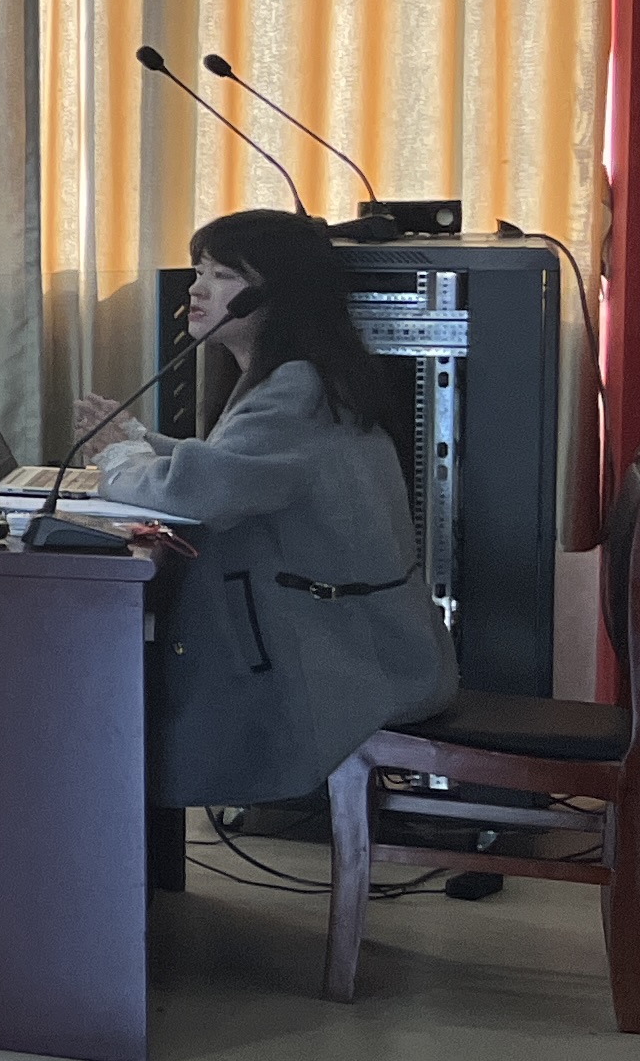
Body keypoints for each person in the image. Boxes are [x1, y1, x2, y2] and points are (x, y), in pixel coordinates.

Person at [74, 208, 459, 815]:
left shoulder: (294, 388)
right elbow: (233, 466)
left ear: (273, 297)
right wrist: (142, 443)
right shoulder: (301, 376)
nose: (197, 289)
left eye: (223, 276)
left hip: (354, 663)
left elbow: (208, 493)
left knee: (113, 701)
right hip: (355, 641)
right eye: (199, 271)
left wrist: (121, 457)